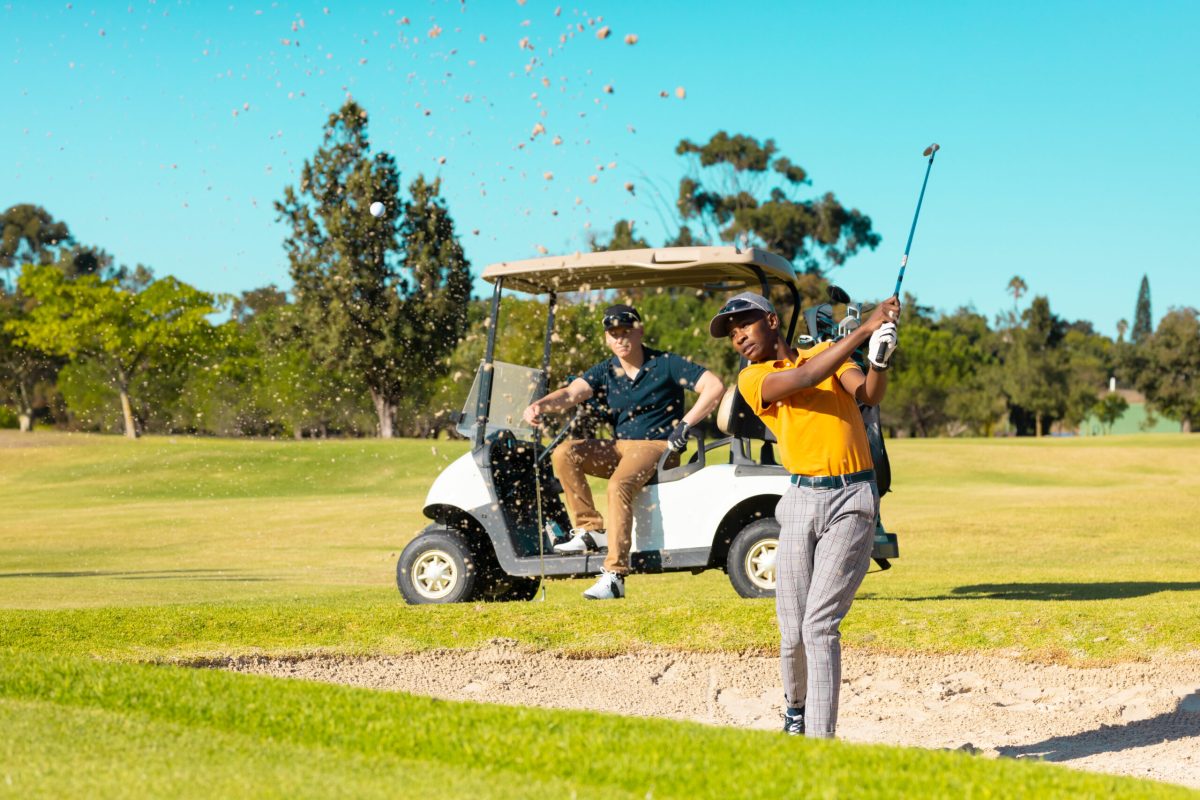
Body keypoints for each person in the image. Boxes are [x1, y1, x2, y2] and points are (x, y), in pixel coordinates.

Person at [708, 290, 900, 738]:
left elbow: (867, 395)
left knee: (818, 625)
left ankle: (820, 741)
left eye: (744, 324)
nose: (738, 337)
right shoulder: (755, 380)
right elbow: (808, 373)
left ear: (772, 322)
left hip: (852, 499)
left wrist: (880, 360)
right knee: (791, 629)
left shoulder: (828, 354)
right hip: (798, 501)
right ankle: (795, 709)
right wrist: (864, 329)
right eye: (731, 333)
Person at [523, 303, 725, 600]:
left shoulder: (666, 363)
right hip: (620, 446)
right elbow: (571, 394)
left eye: (626, 331)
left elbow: (714, 385)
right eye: (613, 333)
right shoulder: (607, 369)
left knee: (619, 484)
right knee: (565, 452)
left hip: (657, 446)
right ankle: (589, 528)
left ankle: (615, 575)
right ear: (606, 338)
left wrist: (684, 424)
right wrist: (540, 405)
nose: (620, 338)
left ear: (639, 330)